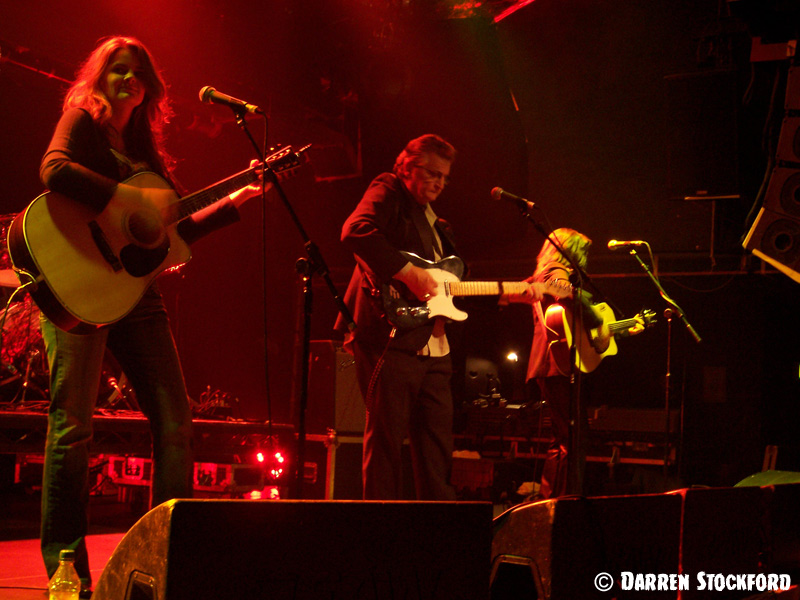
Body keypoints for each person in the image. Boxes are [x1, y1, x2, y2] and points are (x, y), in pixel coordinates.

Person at [36, 36, 262, 591]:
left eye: (138, 73)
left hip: (136, 295)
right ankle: (67, 573)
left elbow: (171, 234)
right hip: (77, 288)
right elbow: (54, 170)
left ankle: (163, 560)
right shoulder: (80, 120)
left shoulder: (144, 151)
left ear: (150, 89)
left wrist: (233, 205)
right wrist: (125, 198)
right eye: (118, 69)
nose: (128, 80)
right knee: (73, 429)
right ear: (100, 76)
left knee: (175, 422)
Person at [336, 134, 461, 500]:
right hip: (389, 335)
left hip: (434, 346)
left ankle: (438, 532)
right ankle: (381, 531)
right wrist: (409, 273)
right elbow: (355, 230)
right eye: (432, 173)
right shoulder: (388, 188)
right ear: (406, 167)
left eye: (445, 177)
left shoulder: (436, 222)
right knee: (387, 443)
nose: (439, 182)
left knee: (436, 449)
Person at [510, 228, 643, 498]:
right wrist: (597, 320)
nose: (584, 258)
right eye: (581, 251)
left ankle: (556, 500)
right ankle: (559, 502)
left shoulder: (541, 273)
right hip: (556, 365)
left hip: (552, 364)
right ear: (568, 250)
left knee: (565, 438)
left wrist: (615, 328)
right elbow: (566, 293)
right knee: (572, 440)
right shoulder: (556, 270)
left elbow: (573, 326)